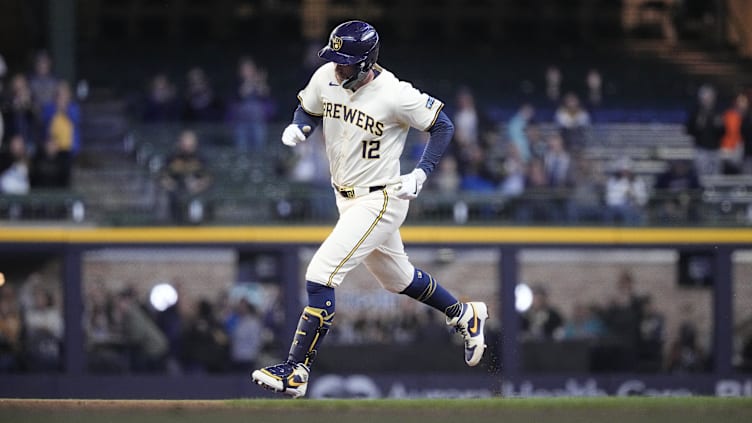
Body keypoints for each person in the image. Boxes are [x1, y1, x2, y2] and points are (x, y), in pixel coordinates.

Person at [251, 20, 488, 398]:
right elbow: (308, 108)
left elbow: (442, 125)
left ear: (367, 62)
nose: (338, 66)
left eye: (346, 61)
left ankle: (296, 370)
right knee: (398, 279)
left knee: (320, 274)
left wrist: (422, 172)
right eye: (336, 59)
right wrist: (301, 126)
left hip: (381, 197)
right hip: (345, 197)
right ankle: (463, 313)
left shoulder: (394, 93)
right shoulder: (327, 76)